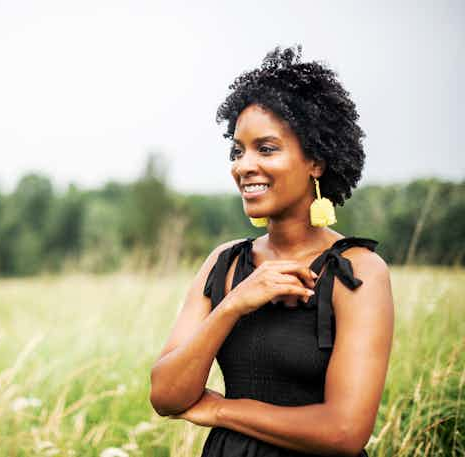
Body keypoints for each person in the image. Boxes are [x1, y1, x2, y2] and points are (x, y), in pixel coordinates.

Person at [149, 44, 395, 457]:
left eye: (266, 149)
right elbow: (166, 395)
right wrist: (233, 305)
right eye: (237, 150)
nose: (244, 166)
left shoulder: (359, 271)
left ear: (316, 161)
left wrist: (225, 410)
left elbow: (345, 432)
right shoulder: (223, 264)